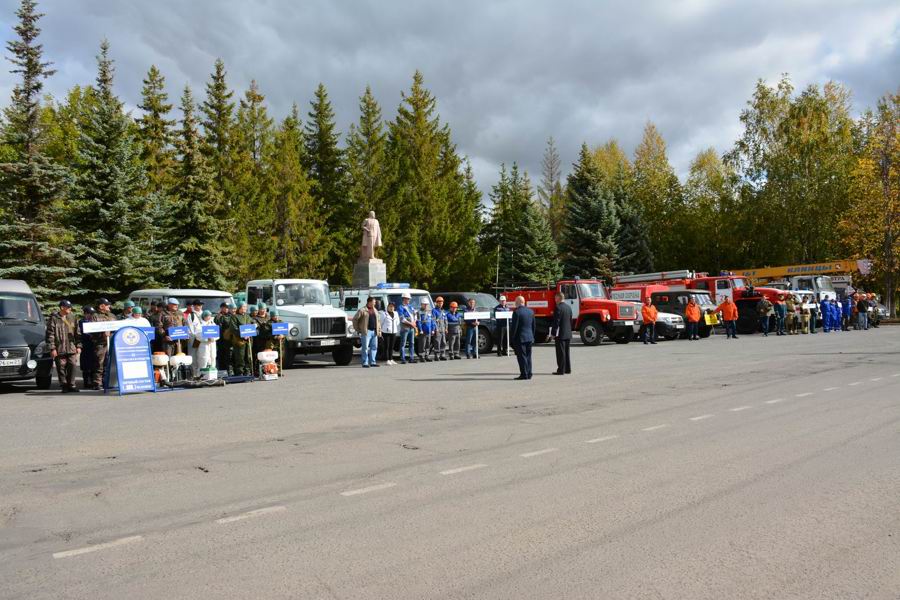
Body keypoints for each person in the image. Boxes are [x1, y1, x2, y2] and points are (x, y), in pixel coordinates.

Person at [46, 300, 81, 393]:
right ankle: (64, 385)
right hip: (59, 348)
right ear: (62, 307)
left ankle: (72, 385)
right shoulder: (54, 319)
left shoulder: (73, 318)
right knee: (61, 367)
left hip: (71, 347)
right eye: (68, 307)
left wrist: (79, 346)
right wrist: (52, 348)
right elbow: (50, 334)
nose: (70, 308)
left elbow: (77, 333)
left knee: (72, 365)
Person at [88, 298, 117, 390]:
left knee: (110, 362)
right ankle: (97, 383)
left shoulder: (112, 315)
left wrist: (111, 332)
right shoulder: (95, 316)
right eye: (107, 304)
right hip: (100, 343)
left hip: (111, 343)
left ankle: (108, 381)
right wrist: (102, 333)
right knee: (99, 363)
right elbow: (91, 330)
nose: (109, 306)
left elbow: (117, 327)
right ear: (101, 306)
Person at [510, 296, 535, 380]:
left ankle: (524, 374)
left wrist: (512, 339)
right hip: (529, 337)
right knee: (528, 356)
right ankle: (529, 373)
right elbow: (533, 326)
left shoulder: (516, 312)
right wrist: (532, 336)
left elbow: (514, 327)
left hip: (520, 338)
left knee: (522, 357)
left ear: (517, 302)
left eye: (515, 302)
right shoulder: (531, 311)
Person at [352, 297, 381, 368]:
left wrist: (379, 331)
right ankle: (365, 362)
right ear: (369, 302)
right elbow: (355, 319)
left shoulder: (375, 310)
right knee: (365, 348)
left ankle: (373, 362)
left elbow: (378, 321)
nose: (375, 303)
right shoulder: (362, 310)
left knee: (374, 347)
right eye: (374, 302)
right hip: (366, 332)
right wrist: (358, 329)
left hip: (374, 331)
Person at [227, 301, 254, 376]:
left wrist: (254, 327)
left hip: (248, 340)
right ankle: (240, 372)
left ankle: (248, 371)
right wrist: (242, 334)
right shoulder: (234, 317)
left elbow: (252, 323)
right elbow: (233, 328)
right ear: (239, 308)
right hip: (239, 340)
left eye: (245, 307)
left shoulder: (248, 316)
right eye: (243, 307)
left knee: (248, 356)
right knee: (240, 357)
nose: (244, 308)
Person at [550, 291, 572, 374]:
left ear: (559, 298)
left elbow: (556, 322)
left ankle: (561, 370)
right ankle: (567, 369)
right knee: (566, 352)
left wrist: (553, 333)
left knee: (560, 353)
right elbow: (570, 320)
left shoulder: (558, 308)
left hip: (560, 334)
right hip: (568, 333)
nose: (555, 300)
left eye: (555, 298)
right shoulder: (568, 307)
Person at [78, 306, 96, 389]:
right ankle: (86, 382)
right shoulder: (82, 322)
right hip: (86, 346)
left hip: (93, 345)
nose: (91, 315)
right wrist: (93, 336)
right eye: (90, 314)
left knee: (93, 364)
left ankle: (93, 381)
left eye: (92, 314)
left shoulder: (93, 321)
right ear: (85, 314)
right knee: (86, 365)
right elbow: (84, 333)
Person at [186, 299, 205, 376]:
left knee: (202, 355)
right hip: (194, 339)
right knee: (193, 355)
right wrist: (195, 337)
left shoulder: (204, 314)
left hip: (203, 339)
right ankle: (194, 374)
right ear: (194, 306)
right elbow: (190, 328)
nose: (199, 306)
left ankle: (202, 373)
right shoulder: (191, 315)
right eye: (198, 305)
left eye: (200, 305)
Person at [397, 292, 417, 364]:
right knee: (403, 343)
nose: (408, 300)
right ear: (404, 299)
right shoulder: (400, 307)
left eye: (409, 299)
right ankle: (403, 358)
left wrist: (414, 321)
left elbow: (415, 314)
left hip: (412, 327)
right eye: (407, 299)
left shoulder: (410, 306)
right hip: (405, 327)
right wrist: (411, 323)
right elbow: (402, 319)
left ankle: (411, 358)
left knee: (412, 343)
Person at [214, 303, 232, 375]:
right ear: (221, 308)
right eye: (225, 307)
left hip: (229, 340)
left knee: (228, 356)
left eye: (227, 308)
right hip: (220, 339)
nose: (226, 309)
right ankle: (221, 371)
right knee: (221, 356)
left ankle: (229, 371)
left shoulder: (231, 316)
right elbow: (215, 325)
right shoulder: (218, 316)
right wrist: (218, 318)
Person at [431, 297, 448, 361]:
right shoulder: (434, 310)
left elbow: (445, 320)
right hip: (437, 329)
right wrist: (435, 328)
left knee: (443, 342)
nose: (441, 304)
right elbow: (433, 320)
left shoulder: (443, 311)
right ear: (437, 303)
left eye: (441, 303)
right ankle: (437, 355)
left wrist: (446, 328)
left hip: (443, 329)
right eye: (439, 303)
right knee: (437, 342)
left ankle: (442, 355)